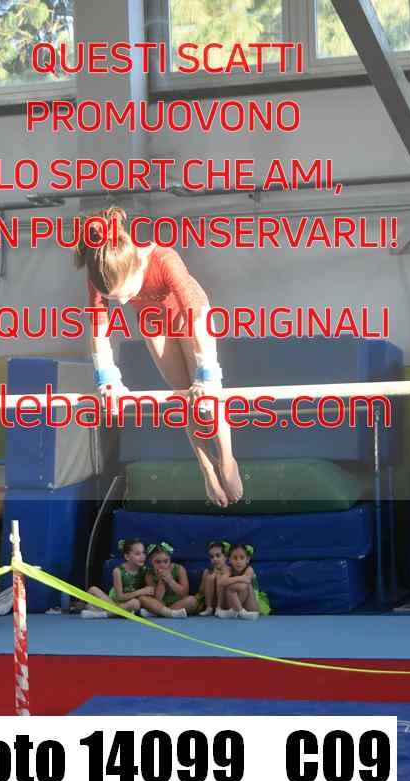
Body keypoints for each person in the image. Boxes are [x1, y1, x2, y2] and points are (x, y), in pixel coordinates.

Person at [75, 206, 243, 509]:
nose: (122, 302)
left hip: (192, 315)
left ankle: (228, 460)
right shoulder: (99, 272)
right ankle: (207, 469)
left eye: (125, 294)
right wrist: (107, 380)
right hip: (154, 322)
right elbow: (98, 328)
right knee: (184, 397)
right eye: (114, 299)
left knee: (206, 397)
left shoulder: (164, 259)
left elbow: (196, 316)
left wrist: (206, 374)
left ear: (135, 266)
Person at [80, 537, 152, 619]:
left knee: (135, 603)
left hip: (129, 603)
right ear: (127, 556)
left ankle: (103, 614)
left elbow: (149, 591)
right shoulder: (118, 571)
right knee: (93, 589)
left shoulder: (145, 570)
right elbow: (120, 597)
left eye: (143, 553)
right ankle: (118, 612)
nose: (142, 557)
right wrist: (140, 591)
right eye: (137, 554)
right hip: (113, 602)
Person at [140, 542, 197, 619]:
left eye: (166, 561)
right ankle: (170, 613)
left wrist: (170, 581)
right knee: (143, 598)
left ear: (170, 559)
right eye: (158, 562)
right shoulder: (149, 574)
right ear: (151, 562)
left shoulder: (179, 569)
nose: (162, 565)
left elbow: (184, 594)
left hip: (178, 603)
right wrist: (161, 581)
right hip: (160, 603)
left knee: (192, 600)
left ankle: (158, 612)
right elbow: (157, 598)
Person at [216, 543, 271, 620]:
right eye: (235, 558)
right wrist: (241, 578)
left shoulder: (249, 569)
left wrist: (230, 582)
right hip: (232, 604)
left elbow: (245, 583)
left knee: (243, 585)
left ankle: (240, 612)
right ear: (229, 560)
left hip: (250, 606)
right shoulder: (229, 570)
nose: (238, 561)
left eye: (242, 558)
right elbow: (221, 582)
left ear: (247, 559)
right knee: (225, 585)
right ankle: (234, 610)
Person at [195, 540, 232, 617]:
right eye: (212, 557)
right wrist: (206, 579)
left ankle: (219, 607)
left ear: (226, 557)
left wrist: (221, 576)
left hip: (226, 602)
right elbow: (201, 591)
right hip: (212, 602)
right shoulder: (207, 571)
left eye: (218, 556)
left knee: (220, 578)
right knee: (210, 577)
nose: (215, 559)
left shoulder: (230, 570)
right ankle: (209, 608)